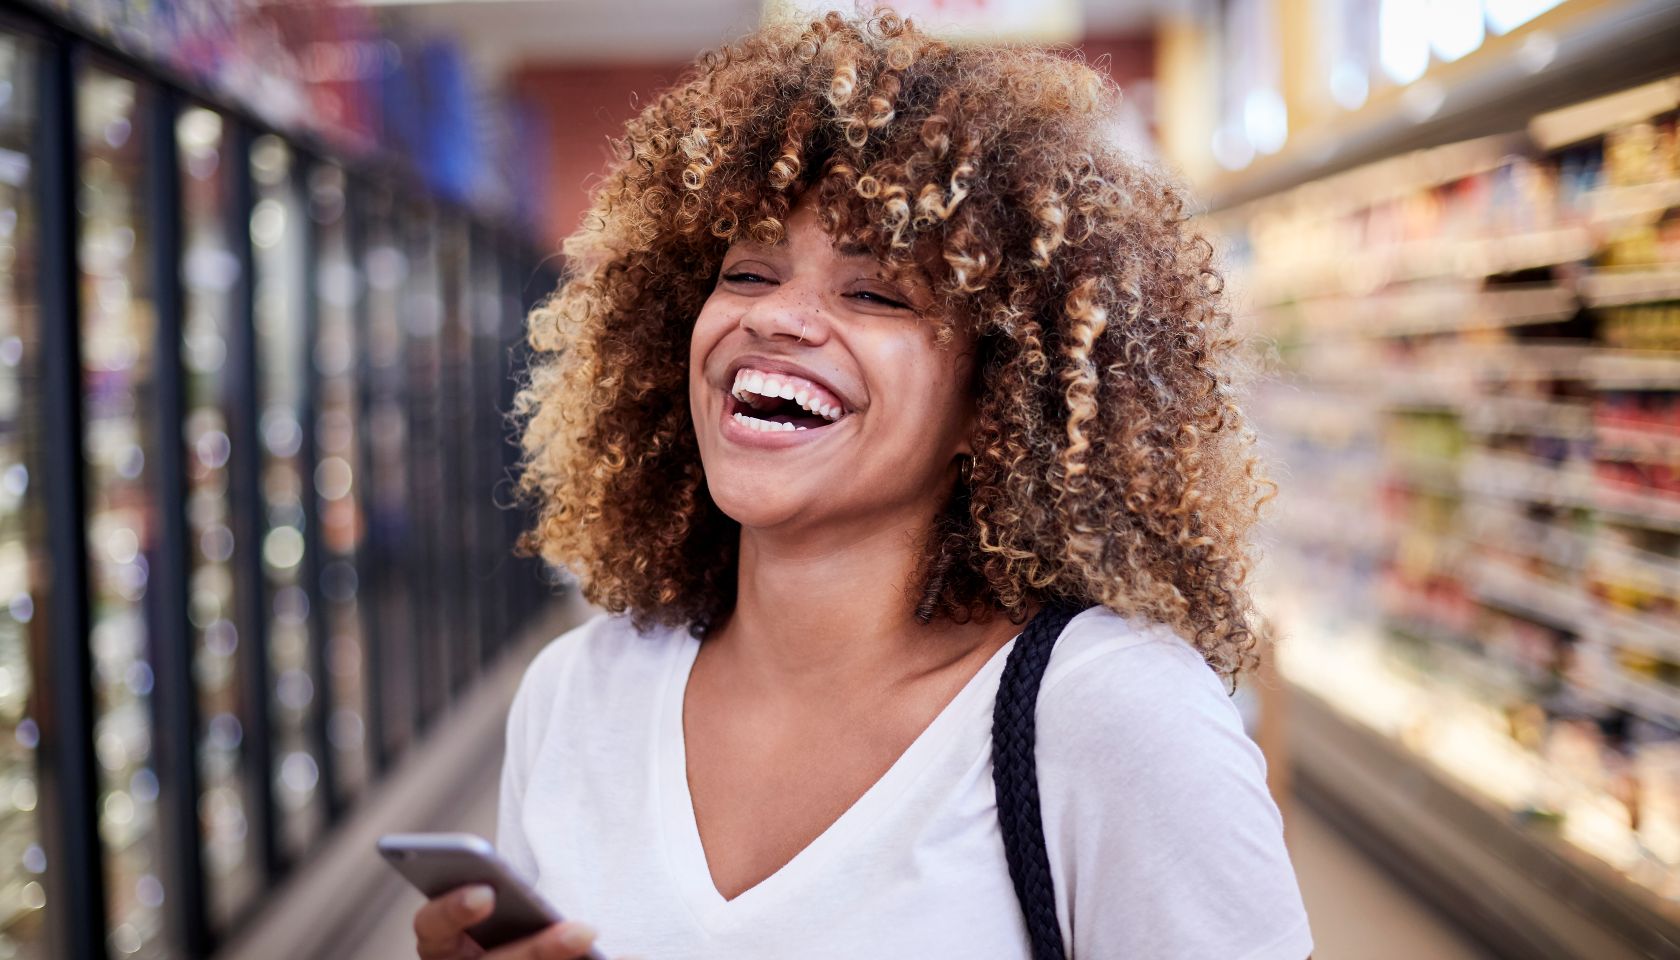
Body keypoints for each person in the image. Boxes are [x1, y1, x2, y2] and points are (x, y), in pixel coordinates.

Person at [412, 7, 1314, 959]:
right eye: (749, 273)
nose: (781, 320)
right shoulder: (575, 697)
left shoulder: (1115, 718)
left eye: (877, 292)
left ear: (998, 395)